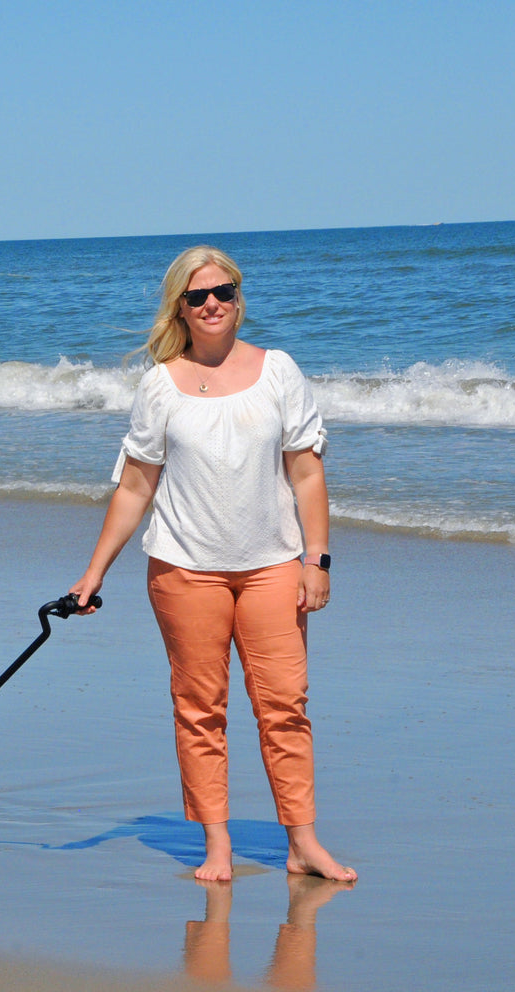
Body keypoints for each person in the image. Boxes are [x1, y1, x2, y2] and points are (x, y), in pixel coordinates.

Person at [68, 245, 355, 884]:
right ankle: (217, 845)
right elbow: (135, 487)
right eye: (197, 296)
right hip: (183, 568)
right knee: (200, 708)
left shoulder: (280, 371)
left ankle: (303, 842)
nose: (212, 304)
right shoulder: (159, 384)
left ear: (238, 296)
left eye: (223, 291)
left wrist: (317, 559)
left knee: (285, 705)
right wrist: (95, 572)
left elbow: (307, 474)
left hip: (273, 566)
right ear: (180, 307)